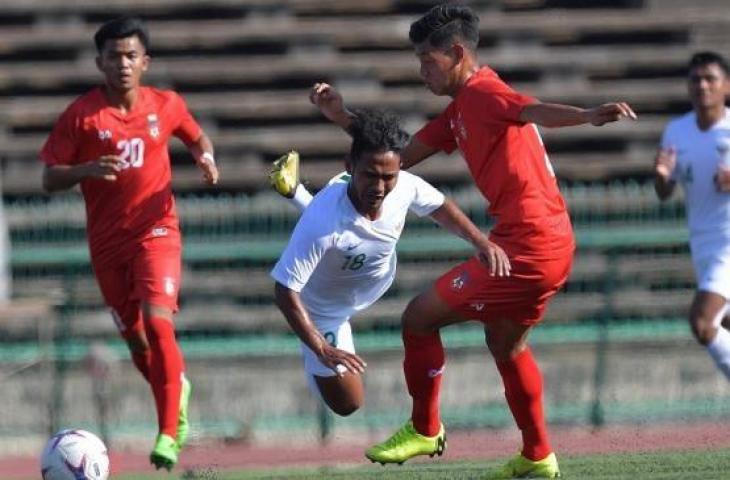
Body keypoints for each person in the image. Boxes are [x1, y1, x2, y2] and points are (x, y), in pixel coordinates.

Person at [310, 4, 636, 478]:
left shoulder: (484, 93)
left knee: (419, 318)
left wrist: (588, 115)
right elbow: (396, 158)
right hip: (547, 242)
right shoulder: (460, 110)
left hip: (529, 246)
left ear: (457, 53)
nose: (421, 71)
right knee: (507, 347)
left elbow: (530, 110)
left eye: (427, 60)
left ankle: (425, 428)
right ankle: (538, 453)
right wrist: (343, 118)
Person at [39, 17, 219, 470]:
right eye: (114, 56)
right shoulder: (82, 116)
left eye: (131, 55)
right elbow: (48, 177)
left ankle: (167, 432)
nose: (123, 64)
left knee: (158, 324)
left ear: (145, 61)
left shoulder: (167, 104)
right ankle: (176, 387)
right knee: (138, 343)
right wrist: (83, 170)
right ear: (100, 62)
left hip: (156, 231)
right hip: (106, 246)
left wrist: (205, 157)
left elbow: (195, 136)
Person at [270, 109, 510, 418]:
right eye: (370, 175)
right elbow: (284, 290)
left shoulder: (405, 186)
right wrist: (319, 346)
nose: (380, 187)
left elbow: (439, 206)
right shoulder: (321, 224)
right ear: (350, 167)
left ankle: (294, 191)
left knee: (343, 235)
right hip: (323, 310)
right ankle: (295, 193)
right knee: (348, 404)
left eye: (388, 177)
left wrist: (481, 242)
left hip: (370, 280)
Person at [654, 51, 730, 382]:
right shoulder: (676, 131)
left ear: (726, 86)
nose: (702, 85)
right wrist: (661, 175)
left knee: (703, 322)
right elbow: (664, 191)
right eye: (696, 79)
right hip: (702, 243)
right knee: (722, 327)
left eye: (710, 78)